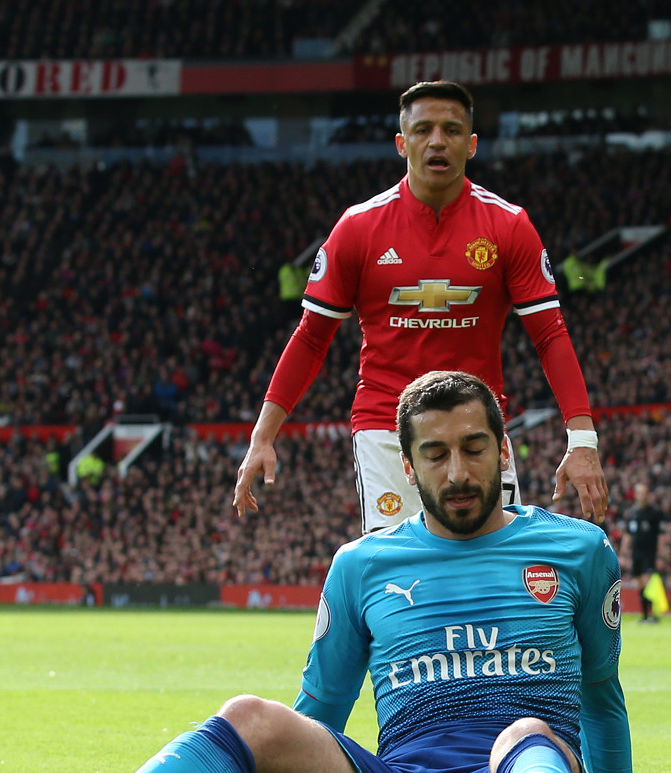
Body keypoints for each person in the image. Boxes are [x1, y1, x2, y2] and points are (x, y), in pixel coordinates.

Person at [1, 371, 671, 773]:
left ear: (504, 450)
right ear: (408, 467)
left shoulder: (579, 549)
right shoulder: (361, 564)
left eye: (473, 448)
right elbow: (319, 712)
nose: (458, 473)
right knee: (251, 715)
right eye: (435, 454)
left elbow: (601, 698)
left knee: (526, 734)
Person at [232, 80, 607, 534]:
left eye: (452, 130)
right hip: (387, 429)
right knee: (402, 568)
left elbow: (549, 335)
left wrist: (582, 439)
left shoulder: (509, 226)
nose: (437, 141)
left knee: (486, 568)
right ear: (401, 143)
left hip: (476, 428)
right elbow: (311, 338)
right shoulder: (358, 228)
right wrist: (262, 436)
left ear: (471, 145)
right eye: (424, 129)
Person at [619, 482, 663, 623]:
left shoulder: (654, 513)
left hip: (649, 553)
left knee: (647, 583)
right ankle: (645, 616)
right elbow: (627, 534)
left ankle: (653, 615)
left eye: (644, 493)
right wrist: (623, 554)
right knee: (639, 584)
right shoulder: (633, 513)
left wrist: (661, 555)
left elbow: (661, 536)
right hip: (636, 553)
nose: (641, 496)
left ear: (648, 495)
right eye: (639, 493)